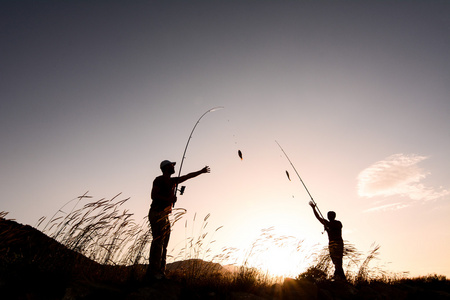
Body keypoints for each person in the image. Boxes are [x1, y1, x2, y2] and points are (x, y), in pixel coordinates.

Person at [146, 160, 210, 280]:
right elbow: (153, 196)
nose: (174, 166)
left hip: (165, 216)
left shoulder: (173, 181)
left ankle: (161, 272)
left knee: (164, 244)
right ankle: (153, 273)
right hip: (157, 213)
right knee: (158, 242)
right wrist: (169, 199)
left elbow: (187, 176)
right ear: (166, 168)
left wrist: (201, 172)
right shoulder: (159, 180)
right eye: (171, 165)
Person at [309, 201, 346, 281]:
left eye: (330, 215)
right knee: (335, 260)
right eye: (328, 216)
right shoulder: (327, 223)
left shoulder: (337, 223)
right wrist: (313, 208)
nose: (329, 217)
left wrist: (328, 226)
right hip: (331, 243)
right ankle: (339, 276)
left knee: (338, 261)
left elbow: (334, 226)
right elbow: (318, 217)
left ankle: (339, 277)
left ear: (333, 216)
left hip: (338, 243)